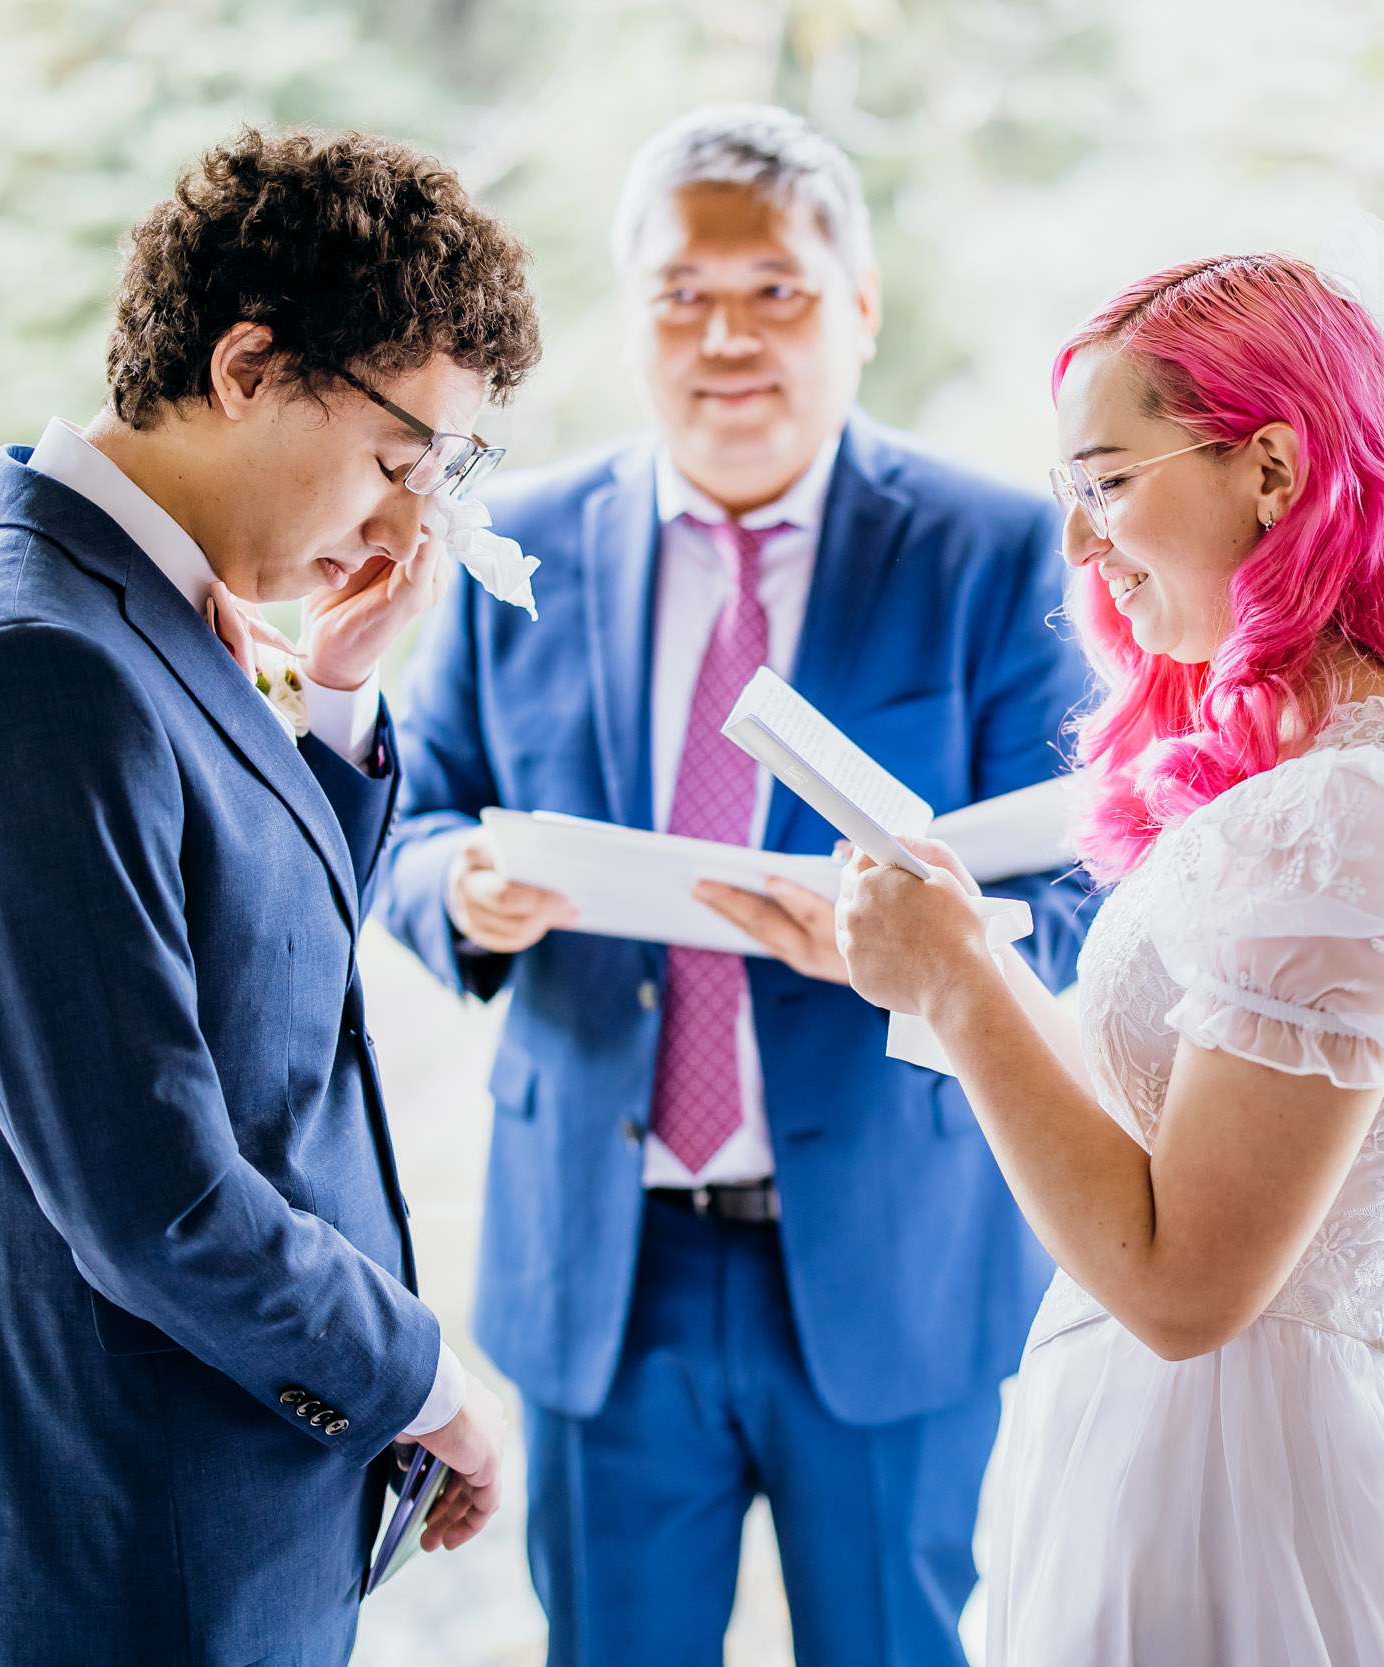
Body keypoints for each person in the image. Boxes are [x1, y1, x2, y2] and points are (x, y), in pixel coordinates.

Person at [832, 228, 1384, 1664]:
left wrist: (963, 984)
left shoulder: (1353, 812)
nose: (1078, 541)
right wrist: (928, 965)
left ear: (1276, 472)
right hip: (1200, 1458)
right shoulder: (1332, 771)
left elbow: (1188, 1285)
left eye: (1109, 484)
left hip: (1245, 1499)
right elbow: (1167, 1129)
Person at [376, 105, 1095, 1666]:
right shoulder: (524, 548)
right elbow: (411, 815)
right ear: (630, 318)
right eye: (681, 295)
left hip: (896, 1255)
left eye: (774, 290)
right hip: (601, 1268)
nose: (727, 338)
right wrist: (461, 890)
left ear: (860, 307)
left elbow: (1094, 880)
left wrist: (931, 960)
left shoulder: (995, 555)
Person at [0, 128, 541, 1667]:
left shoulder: (145, 610)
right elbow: (158, 1201)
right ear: (246, 366)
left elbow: (267, 971)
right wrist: (425, 1381)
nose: (413, 524)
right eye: (398, 460)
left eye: (444, 477)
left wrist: (342, 703)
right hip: (125, 1539)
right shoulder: (37, 671)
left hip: (218, 1501)